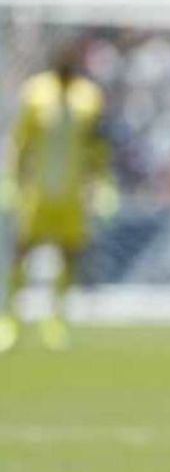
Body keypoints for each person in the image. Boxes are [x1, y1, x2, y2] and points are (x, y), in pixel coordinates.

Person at [0, 46, 117, 353]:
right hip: (38, 191)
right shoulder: (37, 92)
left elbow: (97, 145)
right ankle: (10, 319)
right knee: (22, 252)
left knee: (68, 254)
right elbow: (22, 141)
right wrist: (12, 180)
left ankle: (56, 320)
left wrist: (102, 183)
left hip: (72, 192)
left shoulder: (88, 96)